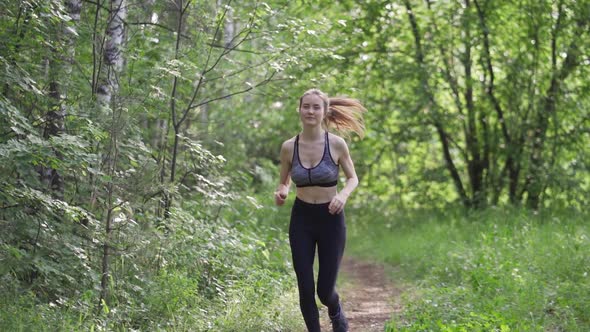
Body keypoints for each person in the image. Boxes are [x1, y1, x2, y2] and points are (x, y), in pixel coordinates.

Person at [274, 88, 366, 332]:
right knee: (305, 286)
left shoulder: (336, 144)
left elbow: (353, 178)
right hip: (302, 219)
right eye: (306, 106)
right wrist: (282, 191)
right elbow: (284, 181)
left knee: (325, 291)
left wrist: (343, 196)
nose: (310, 111)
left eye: (316, 107)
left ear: (325, 112)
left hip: (331, 219)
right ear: (300, 109)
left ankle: (336, 311)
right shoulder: (288, 147)